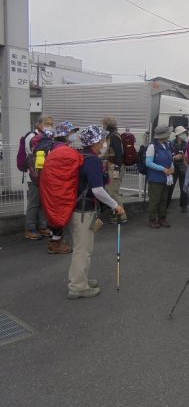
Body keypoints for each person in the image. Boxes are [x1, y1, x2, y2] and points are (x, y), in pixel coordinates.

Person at [68, 125, 125, 299]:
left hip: (81, 210)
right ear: (96, 142)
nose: (105, 142)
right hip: (84, 212)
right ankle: (78, 286)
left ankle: (80, 279)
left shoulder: (84, 156)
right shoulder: (92, 160)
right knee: (83, 250)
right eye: (103, 139)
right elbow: (98, 190)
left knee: (83, 247)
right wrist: (115, 205)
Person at [45, 122, 80, 254]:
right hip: (59, 187)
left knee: (54, 214)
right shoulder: (64, 150)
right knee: (59, 214)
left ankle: (54, 240)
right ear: (65, 135)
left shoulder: (53, 147)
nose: (74, 135)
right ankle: (55, 244)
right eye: (72, 132)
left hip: (51, 186)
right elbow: (77, 162)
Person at [24, 115, 54, 240]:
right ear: (39, 124)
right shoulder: (31, 136)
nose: (49, 126)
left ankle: (42, 226)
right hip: (34, 175)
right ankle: (30, 229)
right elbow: (32, 152)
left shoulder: (48, 136)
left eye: (51, 124)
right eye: (47, 123)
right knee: (34, 203)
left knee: (43, 202)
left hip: (44, 175)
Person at [146, 125, 174, 229]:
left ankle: (162, 217)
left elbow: (169, 159)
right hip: (155, 178)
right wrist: (163, 169)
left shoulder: (166, 145)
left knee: (163, 200)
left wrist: (172, 167)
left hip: (165, 178)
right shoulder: (152, 146)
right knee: (155, 200)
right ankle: (152, 219)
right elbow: (148, 162)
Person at [102, 116, 128, 224]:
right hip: (114, 166)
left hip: (115, 167)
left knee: (113, 192)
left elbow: (119, 153)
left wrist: (117, 168)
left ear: (107, 125)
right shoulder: (113, 135)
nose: (103, 126)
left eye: (104, 124)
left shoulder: (113, 137)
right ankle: (116, 213)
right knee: (111, 191)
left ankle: (122, 216)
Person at [166, 126, 189, 213]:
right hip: (174, 168)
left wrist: (183, 157)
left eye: (185, 133)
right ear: (178, 135)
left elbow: (188, 155)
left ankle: (184, 206)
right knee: (170, 187)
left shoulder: (186, 144)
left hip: (183, 167)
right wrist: (174, 157)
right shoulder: (171, 144)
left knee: (184, 187)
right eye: (183, 133)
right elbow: (169, 155)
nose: (185, 134)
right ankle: (165, 206)